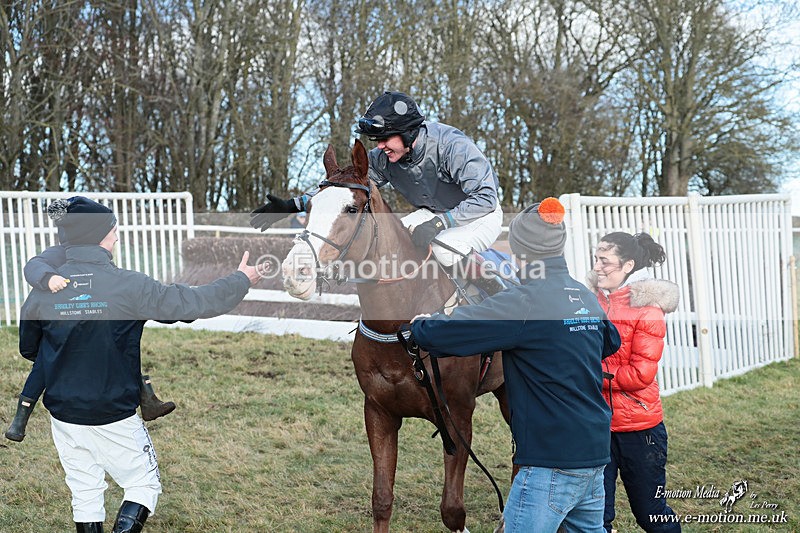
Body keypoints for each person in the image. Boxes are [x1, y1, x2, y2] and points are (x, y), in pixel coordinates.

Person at [17, 196, 266, 533]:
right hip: (114, 413)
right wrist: (241, 279)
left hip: (64, 414)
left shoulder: (43, 289)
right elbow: (190, 303)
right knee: (143, 485)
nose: (117, 236)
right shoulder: (130, 285)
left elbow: (30, 349)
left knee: (85, 490)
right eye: (112, 231)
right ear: (98, 236)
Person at [410, 198, 621, 532]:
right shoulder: (583, 296)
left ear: (522, 253)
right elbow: (611, 342)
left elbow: (453, 331)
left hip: (549, 463)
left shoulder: (525, 302)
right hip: (595, 457)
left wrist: (421, 325)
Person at [249, 90, 506, 294]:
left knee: (446, 249)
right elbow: (346, 193)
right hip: (434, 213)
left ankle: (501, 296)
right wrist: (292, 205)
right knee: (396, 242)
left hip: (480, 214)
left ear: (407, 133)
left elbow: (485, 197)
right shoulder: (385, 157)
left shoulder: (453, 147)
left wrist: (442, 222)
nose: (380, 146)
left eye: (385, 139)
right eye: (377, 141)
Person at [5, 204, 176, 443]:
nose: (115, 238)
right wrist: (48, 277)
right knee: (47, 359)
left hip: (83, 321)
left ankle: (147, 399)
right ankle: (20, 418)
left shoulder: (92, 255)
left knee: (114, 342)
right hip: (61, 324)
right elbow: (33, 266)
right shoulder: (61, 253)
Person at [588, 232, 681, 533]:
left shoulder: (648, 309)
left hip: (639, 431)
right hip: (596, 426)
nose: (598, 267)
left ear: (628, 265)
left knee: (650, 514)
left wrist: (586, 371)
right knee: (594, 517)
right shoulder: (589, 302)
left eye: (605, 261)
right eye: (596, 259)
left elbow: (641, 374)